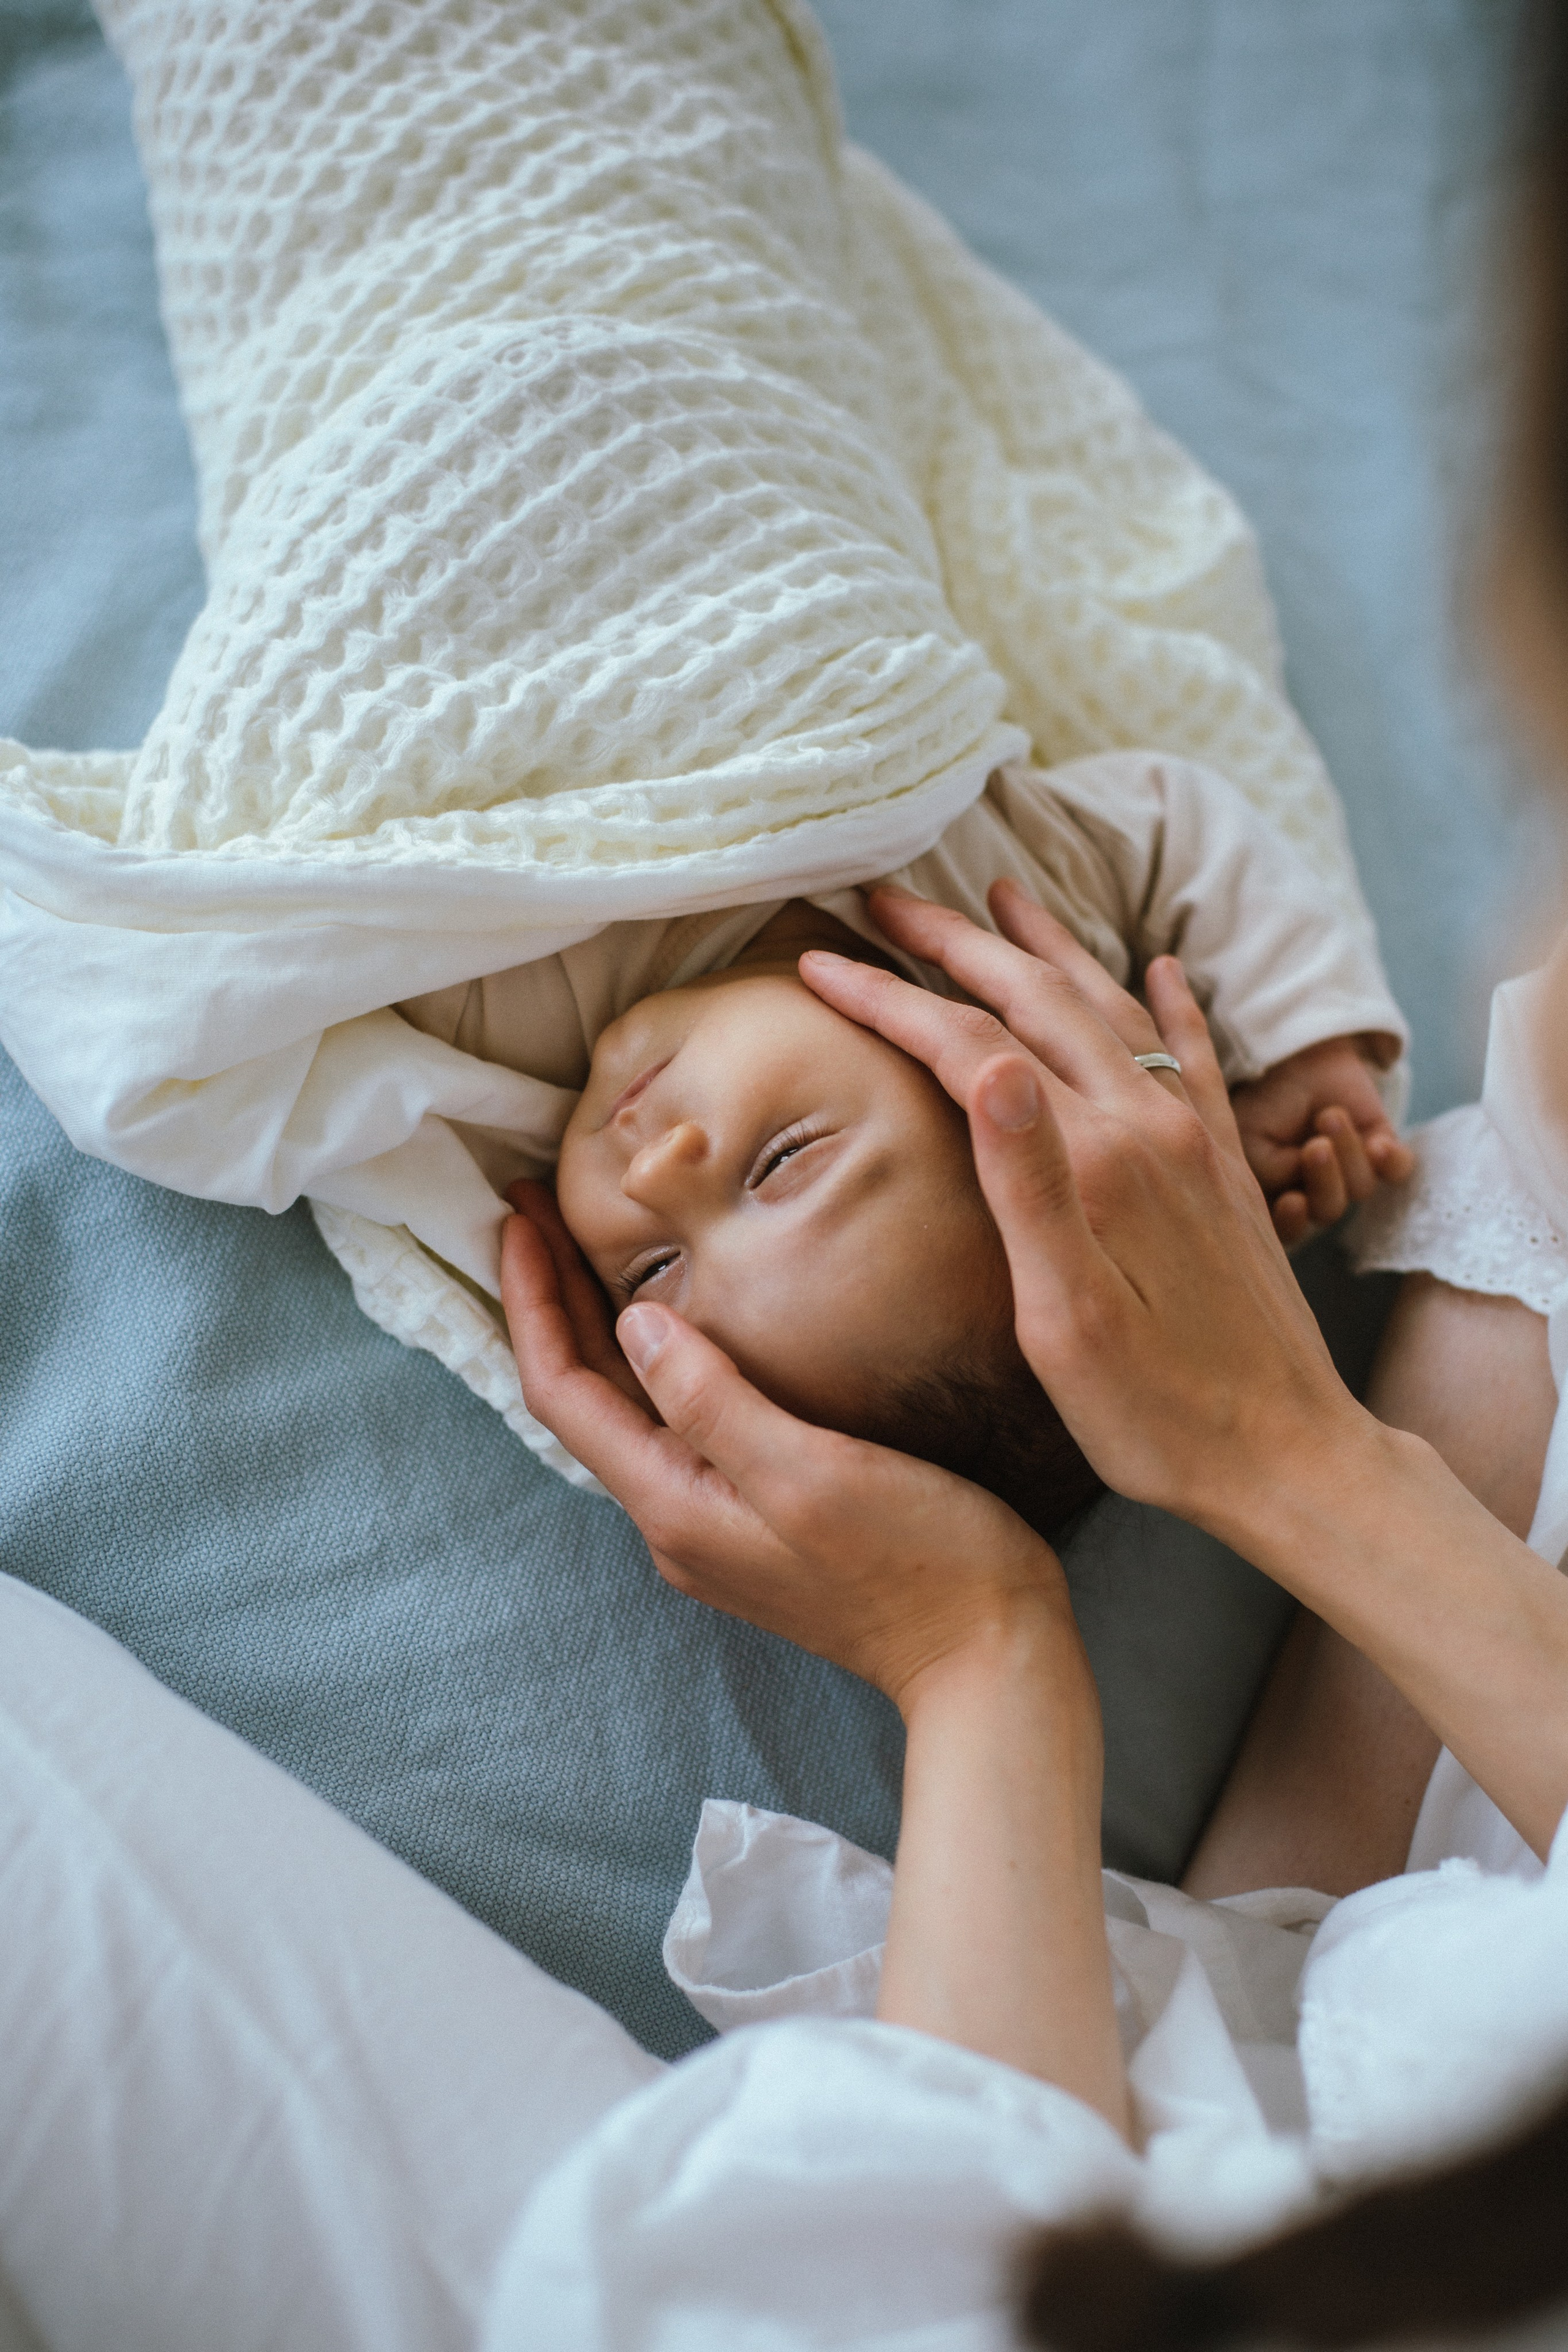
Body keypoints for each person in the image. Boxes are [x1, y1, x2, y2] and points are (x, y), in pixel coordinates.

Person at [402, 746, 1410, 1529]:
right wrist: (1302, 1041)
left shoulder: (507, 999)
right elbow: (1174, 820)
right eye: (782, 1160)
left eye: (653, 1269)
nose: (657, 1175)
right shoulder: (1002, 909)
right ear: (971, 1065)